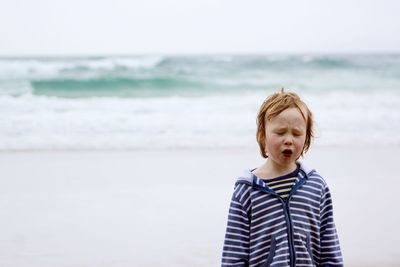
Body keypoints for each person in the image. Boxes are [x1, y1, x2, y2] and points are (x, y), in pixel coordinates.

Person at [221, 89, 343, 267]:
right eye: (280, 132)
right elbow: (233, 256)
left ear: (306, 139)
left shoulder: (316, 186)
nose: (289, 140)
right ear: (263, 136)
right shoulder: (247, 190)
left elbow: (329, 249)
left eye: (296, 133)